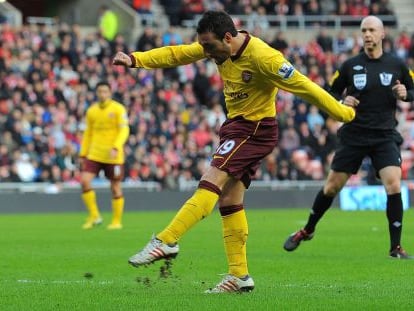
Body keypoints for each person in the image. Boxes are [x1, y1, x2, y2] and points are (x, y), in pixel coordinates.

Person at [113, 10, 355, 293]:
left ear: (227, 38)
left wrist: (345, 113)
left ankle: (167, 240)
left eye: (209, 46)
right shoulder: (216, 47)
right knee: (229, 199)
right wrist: (135, 59)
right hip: (237, 126)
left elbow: (306, 87)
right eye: (202, 46)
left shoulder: (265, 57)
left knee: (211, 180)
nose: (205, 52)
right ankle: (239, 276)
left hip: (255, 128)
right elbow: (178, 54)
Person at [283, 16, 414, 259]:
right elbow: (329, 93)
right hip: (354, 134)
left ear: (382, 34)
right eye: (364, 30)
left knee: (394, 184)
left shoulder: (397, 65)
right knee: (332, 187)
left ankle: (395, 248)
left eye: (372, 30)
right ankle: (307, 230)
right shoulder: (349, 65)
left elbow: (413, 90)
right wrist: (341, 101)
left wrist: (406, 94)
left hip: (384, 135)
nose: (367, 34)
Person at [79, 81, 130, 230]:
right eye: (100, 91)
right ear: (96, 93)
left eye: (105, 91)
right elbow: (88, 133)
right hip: (95, 153)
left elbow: (124, 130)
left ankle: (116, 221)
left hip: (113, 155)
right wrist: (83, 153)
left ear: (110, 93)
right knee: (84, 181)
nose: (102, 94)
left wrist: (116, 146)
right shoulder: (91, 111)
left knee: (115, 187)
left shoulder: (118, 109)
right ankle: (95, 216)